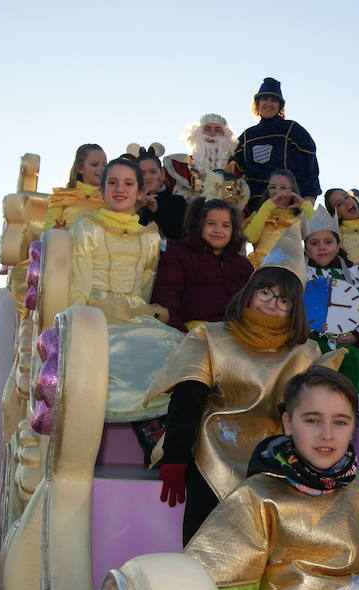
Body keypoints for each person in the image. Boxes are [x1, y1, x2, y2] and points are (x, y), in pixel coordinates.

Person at [147, 226, 343, 544]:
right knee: (204, 539)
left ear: (296, 309)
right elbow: (188, 396)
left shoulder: (304, 353)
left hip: (271, 459)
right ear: (250, 291)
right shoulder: (212, 336)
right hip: (213, 445)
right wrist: (176, 457)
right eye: (265, 292)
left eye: (284, 300)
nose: (271, 303)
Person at [185, 367, 359, 590]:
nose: (327, 434)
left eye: (340, 422)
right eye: (312, 420)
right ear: (288, 423)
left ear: (354, 426)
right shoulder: (258, 496)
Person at [68, 158, 184, 422]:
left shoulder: (149, 237)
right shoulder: (87, 227)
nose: (120, 189)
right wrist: (77, 328)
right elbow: (78, 285)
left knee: (179, 348)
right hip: (95, 314)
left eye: (128, 183)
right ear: (102, 189)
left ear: (140, 193)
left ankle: (156, 431)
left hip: (135, 313)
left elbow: (143, 291)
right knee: (119, 348)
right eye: (113, 182)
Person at [151, 198, 253, 332]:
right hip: (193, 332)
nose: (218, 230)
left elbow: (250, 305)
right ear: (199, 225)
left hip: (233, 334)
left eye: (226, 225)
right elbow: (167, 296)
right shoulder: (179, 255)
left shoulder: (242, 265)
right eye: (211, 223)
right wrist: (177, 332)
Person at [302, 204, 359, 392]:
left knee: (351, 360)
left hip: (344, 346)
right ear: (306, 247)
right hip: (309, 345)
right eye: (314, 243)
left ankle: (348, 410)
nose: (322, 247)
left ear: (338, 244)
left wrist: (356, 337)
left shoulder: (351, 275)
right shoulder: (300, 275)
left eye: (328, 242)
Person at [231, 77, 320, 213]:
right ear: (257, 103)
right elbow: (233, 166)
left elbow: (309, 166)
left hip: (287, 202)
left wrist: (309, 198)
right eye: (265, 99)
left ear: (280, 106)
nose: (269, 103)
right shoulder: (247, 135)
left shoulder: (292, 129)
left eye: (274, 100)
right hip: (255, 205)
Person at [244, 169, 314, 268]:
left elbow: (318, 232)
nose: (277, 191)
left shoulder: (299, 218)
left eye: (283, 187)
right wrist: (267, 206)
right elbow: (251, 237)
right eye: (273, 187)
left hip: (291, 270)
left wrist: (304, 205)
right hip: (261, 269)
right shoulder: (260, 214)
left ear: (292, 191)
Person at [163, 114, 238, 199]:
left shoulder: (234, 169)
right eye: (207, 129)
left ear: (226, 136)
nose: (212, 134)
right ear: (197, 133)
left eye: (218, 129)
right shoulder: (177, 165)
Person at [126, 143, 189, 241]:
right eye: (142, 173)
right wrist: (139, 209)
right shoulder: (128, 204)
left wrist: (156, 210)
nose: (148, 177)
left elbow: (180, 234)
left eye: (153, 172)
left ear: (162, 173)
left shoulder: (177, 201)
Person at [43, 143, 106, 231]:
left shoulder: (110, 198)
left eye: (105, 165)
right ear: (80, 168)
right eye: (94, 164)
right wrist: (55, 229)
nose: (102, 169)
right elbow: (47, 227)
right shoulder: (61, 196)